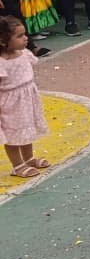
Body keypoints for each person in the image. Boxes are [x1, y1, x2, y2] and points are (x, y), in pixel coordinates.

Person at [0, 16, 50, 178]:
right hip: (10, 104)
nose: (25, 38)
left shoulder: (24, 54)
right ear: (3, 40)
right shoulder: (1, 63)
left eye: (25, 34)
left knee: (26, 129)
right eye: (20, 36)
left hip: (27, 100)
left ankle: (29, 159)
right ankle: (17, 165)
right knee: (13, 135)